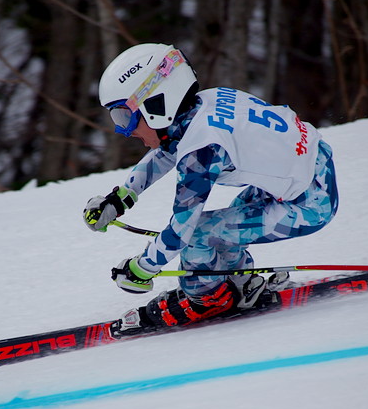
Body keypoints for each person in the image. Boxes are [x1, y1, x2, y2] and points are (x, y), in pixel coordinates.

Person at [83, 43, 338, 335]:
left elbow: (182, 230)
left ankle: (207, 300)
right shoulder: (206, 103)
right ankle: (242, 286)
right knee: (218, 230)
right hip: (306, 173)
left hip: (311, 204)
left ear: (156, 104)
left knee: (199, 234)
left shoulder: (202, 150)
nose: (125, 131)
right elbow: (169, 149)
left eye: (125, 118)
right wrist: (120, 198)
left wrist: (141, 268)